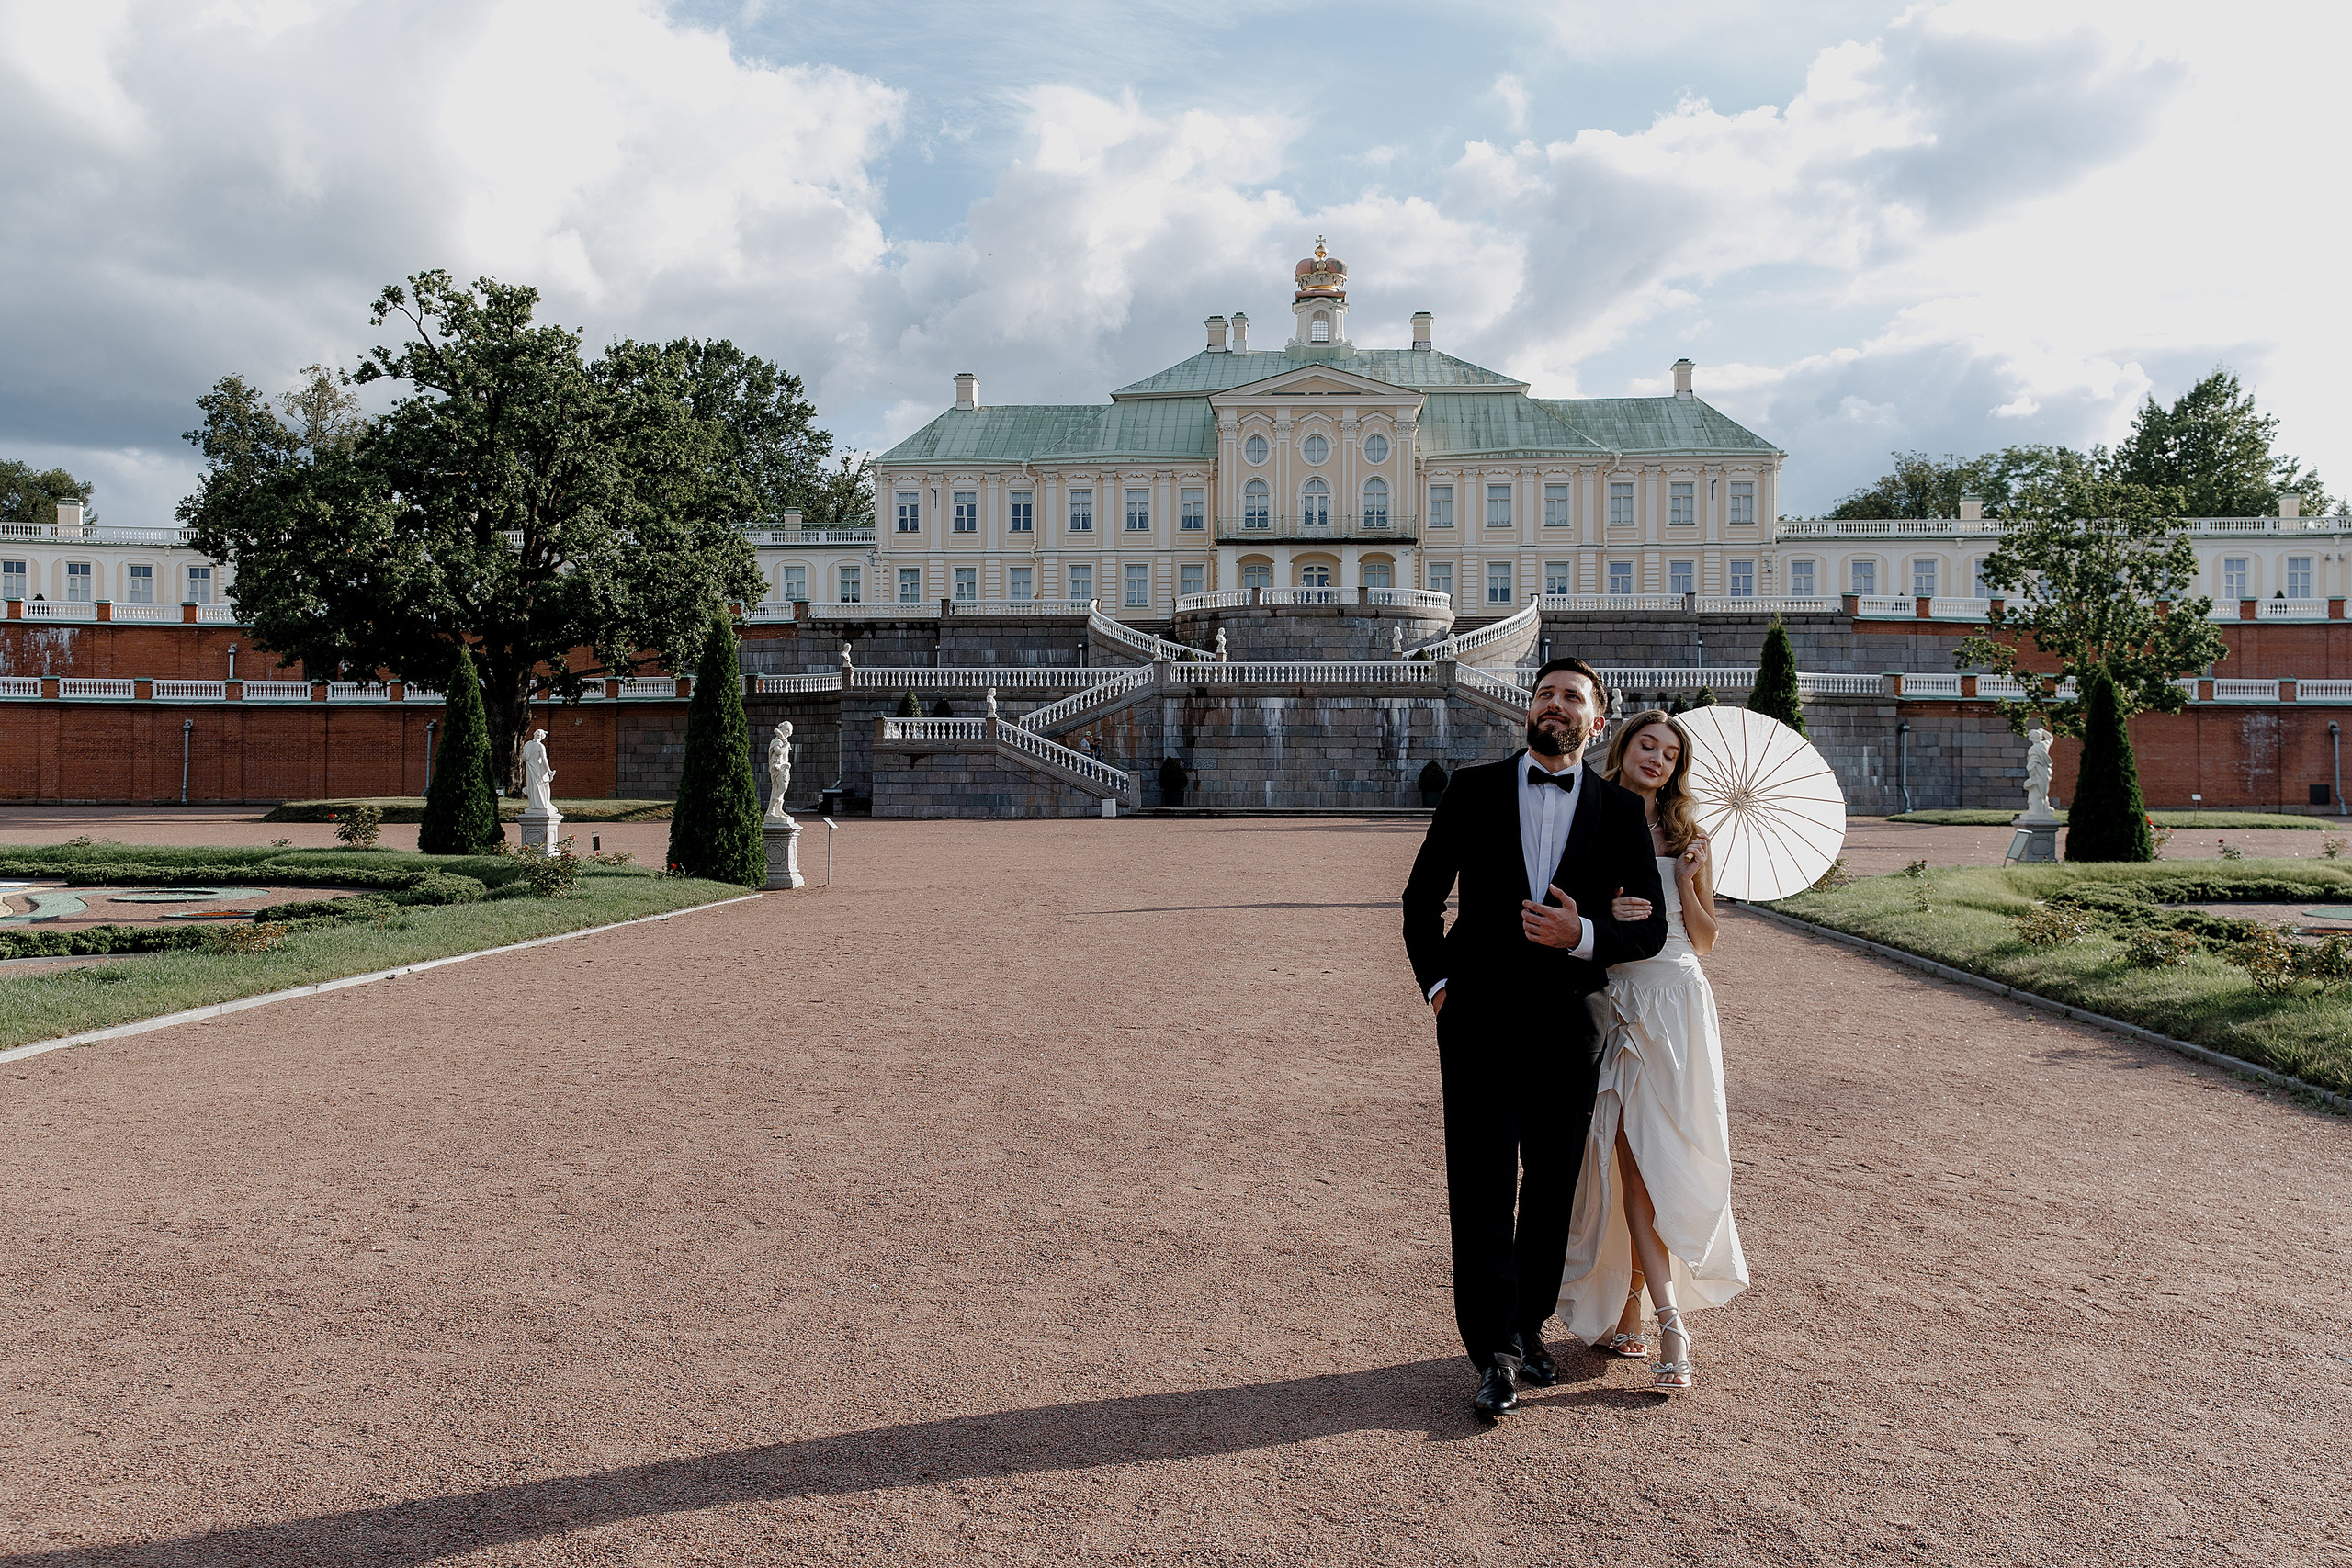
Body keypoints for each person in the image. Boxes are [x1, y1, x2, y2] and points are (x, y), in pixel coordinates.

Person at [1402, 658, 1668, 1424]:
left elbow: (1647, 926)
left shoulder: (1620, 812)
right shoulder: (1473, 787)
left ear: (1598, 715)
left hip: (1567, 1023)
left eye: (1572, 697)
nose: (1556, 705)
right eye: (1546, 693)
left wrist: (1580, 932)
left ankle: (1529, 1326)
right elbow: (1423, 899)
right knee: (1481, 1183)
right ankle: (1493, 1350)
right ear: (1531, 709)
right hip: (1477, 1017)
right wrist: (1437, 986)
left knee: (1551, 1184)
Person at [1557, 710, 1748, 1395]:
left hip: (1681, 1004)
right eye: (1648, 745)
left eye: (1670, 753)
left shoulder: (1690, 833)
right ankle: (1671, 1322)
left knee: (1669, 1161)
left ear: (1677, 766)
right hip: (1622, 1001)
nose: (1658, 759)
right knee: (1630, 1166)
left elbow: (1705, 939)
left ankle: (1638, 1303)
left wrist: (1693, 879)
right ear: (1625, 747)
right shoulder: (1591, 812)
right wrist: (1610, 916)